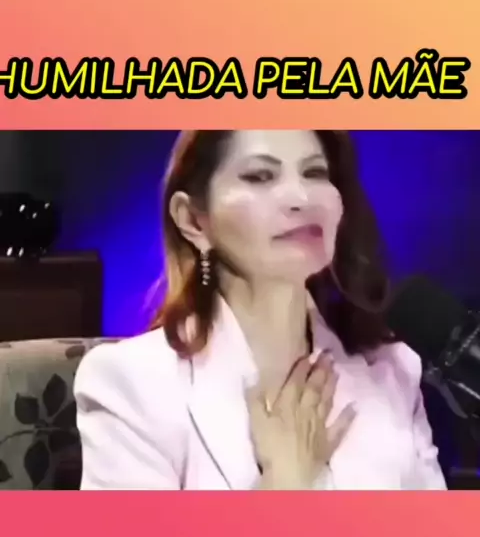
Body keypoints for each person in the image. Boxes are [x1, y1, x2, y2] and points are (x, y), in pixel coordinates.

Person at [75, 130, 447, 490]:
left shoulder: (393, 371)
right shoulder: (130, 383)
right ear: (192, 220)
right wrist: (284, 483)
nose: (301, 197)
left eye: (315, 172)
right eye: (260, 176)